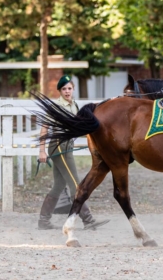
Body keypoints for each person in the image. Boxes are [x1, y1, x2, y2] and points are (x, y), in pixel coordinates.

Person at [37, 75, 109, 231]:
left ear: (73, 89)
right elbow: (44, 129)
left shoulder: (75, 105)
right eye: (64, 89)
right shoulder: (56, 106)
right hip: (59, 147)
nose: (67, 91)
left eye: (69, 88)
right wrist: (42, 150)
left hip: (67, 146)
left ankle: (43, 221)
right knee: (76, 185)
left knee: (59, 185)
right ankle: (88, 220)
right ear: (60, 91)